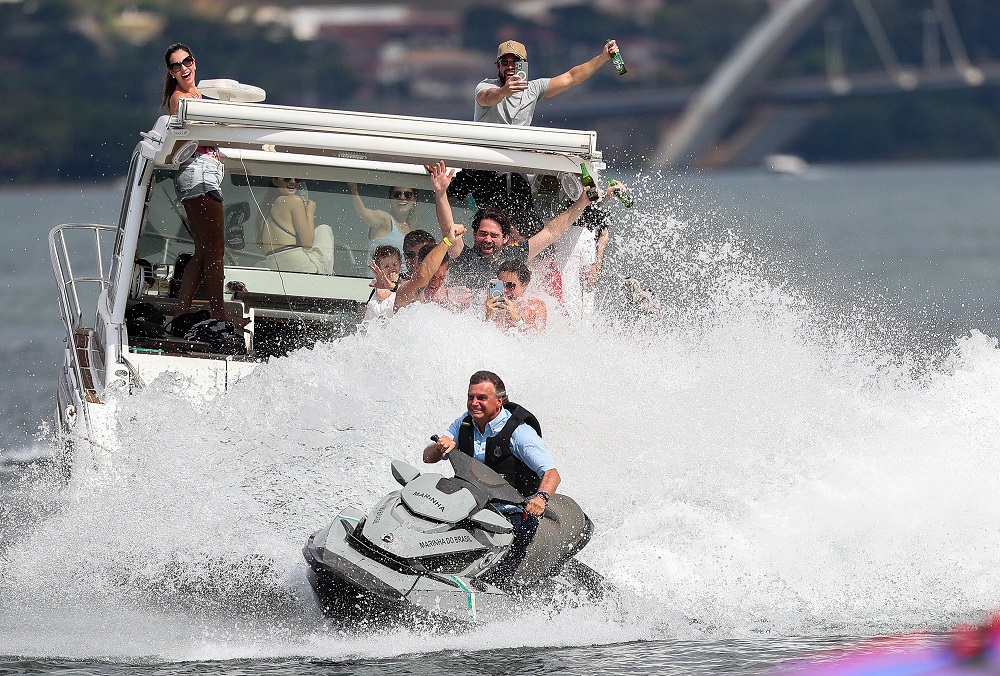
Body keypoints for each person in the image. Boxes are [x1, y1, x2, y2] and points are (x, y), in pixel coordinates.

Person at [424, 371, 559, 581]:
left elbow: (551, 473)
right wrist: (440, 447)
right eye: (471, 397)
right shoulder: (463, 424)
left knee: (514, 540)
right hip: (471, 504)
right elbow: (427, 458)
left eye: (481, 398)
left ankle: (500, 589)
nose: (474, 403)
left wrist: (541, 498)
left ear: (499, 402)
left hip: (511, 511)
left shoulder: (519, 433)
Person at [161, 43, 242, 329]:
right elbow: (186, 134)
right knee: (216, 247)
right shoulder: (180, 98)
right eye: (176, 65)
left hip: (201, 173)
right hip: (199, 173)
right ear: (170, 72)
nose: (183, 68)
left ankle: (181, 312)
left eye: (187, 62)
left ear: (194, 62)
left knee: (203, 249)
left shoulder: (197, 96)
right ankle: (218, 313)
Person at [427, 161, 596, 289]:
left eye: (494, 235)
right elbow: (447, 226)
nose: (488, 239)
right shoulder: (464, 257)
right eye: (483, 233)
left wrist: (582, 202)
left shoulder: (514, 256)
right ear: (474, 234)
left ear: (506, 238)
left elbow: (551, 233)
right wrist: (441, 193)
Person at [475, 39, 622, 126]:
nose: (510, 66)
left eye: (516, 62)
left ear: (525, 64)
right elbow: (487, 98)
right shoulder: (487, 85)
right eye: (505, 62)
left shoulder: (533, 88)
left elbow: (572, 77)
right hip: (486, 158)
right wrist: (502, 92)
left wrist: (603, 58)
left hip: (513, 160)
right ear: (498, 66)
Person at [369, 227, 469, 314]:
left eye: (441, 277)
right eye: (411, 255)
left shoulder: (449, 292)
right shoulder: (402, 288)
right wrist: (448, 240)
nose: (416, 260)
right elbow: (420, 278)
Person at [257, 177, 333, 274]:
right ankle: (328, 275)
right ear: (275, 181)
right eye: (287, 178)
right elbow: (307, 244)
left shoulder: (265, 208)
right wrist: (309, 212)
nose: (293, 182)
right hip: (298, 265)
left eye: (297, 179)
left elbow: (260, 246)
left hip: (274, 264)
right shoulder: (294, 200)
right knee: (324, 229)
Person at [348, 183, 420, 257]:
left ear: (414, 199)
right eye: (396, 194)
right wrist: (354, 190)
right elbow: (364, 214)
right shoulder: (385, 219)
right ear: (390, 198)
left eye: (408, 195)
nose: (402, 197)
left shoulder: (411, 227)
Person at [487, 260, 547, 332]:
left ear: (525, 285)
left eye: (510, 285)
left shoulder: (536, 307)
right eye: (501, 285)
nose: (505, 290)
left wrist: (516, 318)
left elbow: (537, 338)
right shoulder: (490, 302)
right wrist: (489, 315)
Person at [363, 245, 402, 322]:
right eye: (387, 266)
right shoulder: (380, 281)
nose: (392, 268)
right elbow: (381, 295)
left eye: (395, 264)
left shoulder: (402, 280)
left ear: (400, 265)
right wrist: (392, 282)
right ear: (379, 269)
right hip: (377, 318)